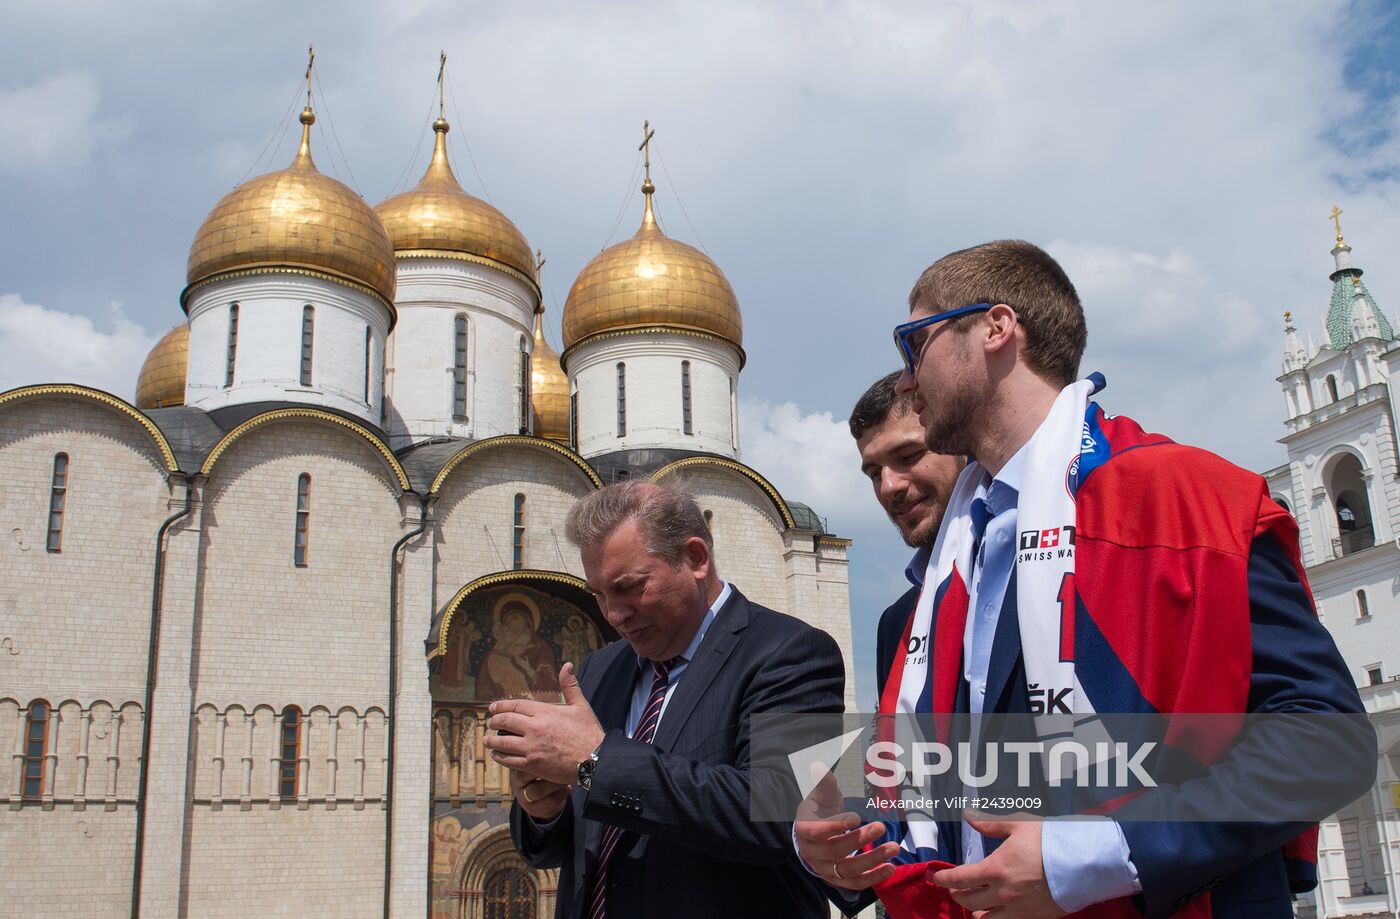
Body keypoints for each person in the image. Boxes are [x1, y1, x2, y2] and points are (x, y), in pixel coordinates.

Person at [797, 239, 1375, 918]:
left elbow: (1326, 742)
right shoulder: (942, 567)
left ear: (995, 328)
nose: (902, 379)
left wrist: (1092, 853)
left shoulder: (1186, 498)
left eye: (913, 345)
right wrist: (848, 841)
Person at [485, 481, 844, 918]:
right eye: (599, 595)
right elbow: (568, 850)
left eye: (629, 587)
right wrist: (543, 809)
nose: (614, 615)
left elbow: (774, 818)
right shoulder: (600, 670)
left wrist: (596, 761)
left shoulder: (793, 653)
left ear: (695, 558)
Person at [849, 370, 964, 705]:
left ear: (961, 444)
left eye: (909, 456)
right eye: (874, 473)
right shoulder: (895, 623)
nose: (888, 487)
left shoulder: (1030, 573)